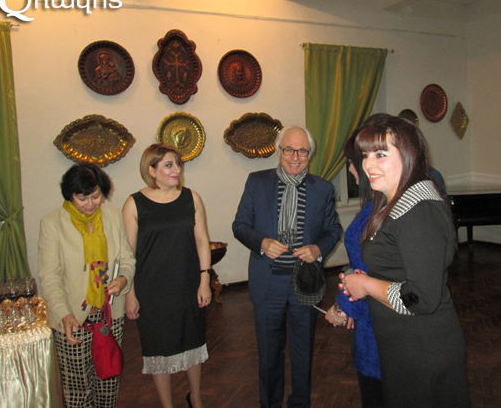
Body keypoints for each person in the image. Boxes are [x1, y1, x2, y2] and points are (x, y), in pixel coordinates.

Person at [340, 116, 469, 407]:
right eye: (365, 155)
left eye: (380, 154)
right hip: (402, 343)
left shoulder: (418, 211)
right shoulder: (393, 202)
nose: (368, 165)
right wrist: (363, 278)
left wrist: (366, 285)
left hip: (422, 347)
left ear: (409, 154)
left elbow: (421, 298)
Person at [232, 126, 343, 408]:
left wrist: (318, 249)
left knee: (302, 352)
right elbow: (240, 225)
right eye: (289, 149)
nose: (295, 156)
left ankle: (300, 403)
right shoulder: (257, 182)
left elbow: (333, 230)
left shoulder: (323, 189)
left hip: (304, 282)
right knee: (269, 353)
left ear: (310, 154)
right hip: (267, 281)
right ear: (279, 151)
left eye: (302, 151)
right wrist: (262, 242)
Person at [38, 163, 135, 407]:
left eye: (96, 196)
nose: (91, 204)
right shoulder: (52, 223)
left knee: (108, 379)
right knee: (78, 386)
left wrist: (123, 279)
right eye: (82, 198)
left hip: (108, 313)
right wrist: (64, 314)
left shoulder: (113, 216)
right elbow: (50, 276)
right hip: (72, 315)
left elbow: (127, 259)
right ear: (70, 195)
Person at [123, 144, 211, 408]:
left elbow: (202, 241)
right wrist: (130, 294)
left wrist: (204, 280)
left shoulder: (191, 198)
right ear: (151, 170)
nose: (177, 170)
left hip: (187, 285)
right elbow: (128, 255)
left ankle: (196, 398)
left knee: (193, 343)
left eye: (177, 164)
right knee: (158, 350)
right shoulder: (134, 203)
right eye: (169, 165)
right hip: (152, 291)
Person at [324, 125, 383, 408]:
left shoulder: (378, 211)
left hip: (377, 327)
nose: (350, 169)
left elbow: (372, 273)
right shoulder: (376, 204)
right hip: (369, 317)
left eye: (351, 162)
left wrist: (341, 309)